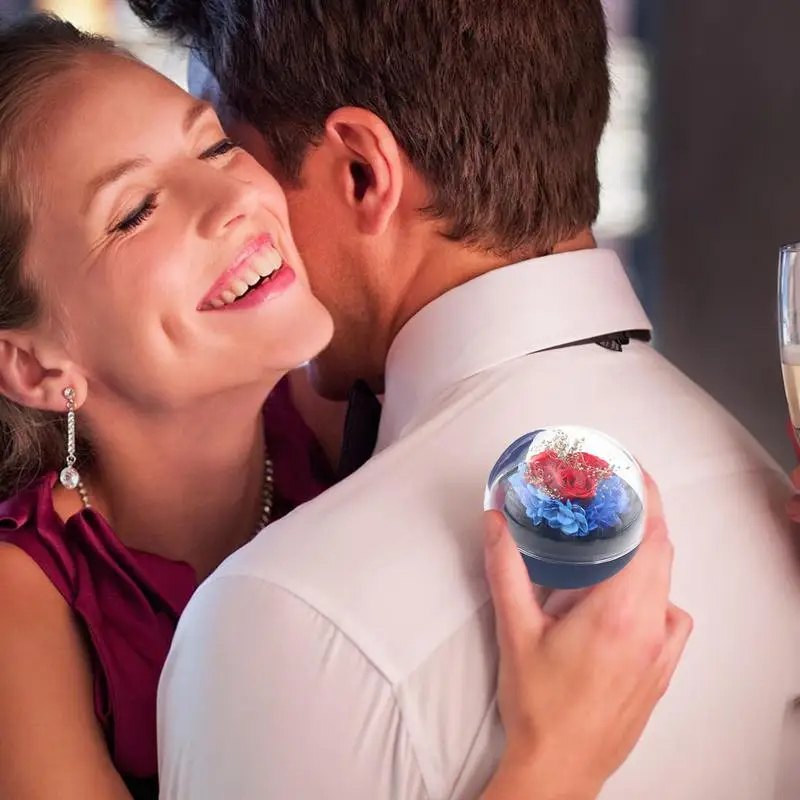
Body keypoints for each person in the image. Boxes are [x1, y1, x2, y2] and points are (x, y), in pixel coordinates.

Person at [0, 15, 688, 800]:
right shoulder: (20, 610)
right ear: (33, 364)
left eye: (215, 146)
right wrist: (555, 762)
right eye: (134, 212)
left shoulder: (364, 406)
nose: (230, 200)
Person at [129, 1, 800, 798]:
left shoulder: (282, 619)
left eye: (231, 156)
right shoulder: (765, 500)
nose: (235, 217)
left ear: (361, 173)